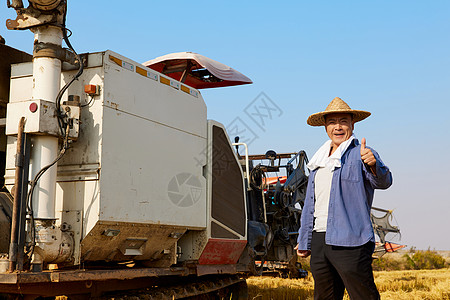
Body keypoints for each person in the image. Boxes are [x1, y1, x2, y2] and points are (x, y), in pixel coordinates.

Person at [295, 97, 392, 300]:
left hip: (351, 240)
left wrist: (374, 165)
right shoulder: (319, 160)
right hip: (320, 240)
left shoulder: (362, 154)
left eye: (343, 121)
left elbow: (384, 182)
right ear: (325, 126)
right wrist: (304, 239)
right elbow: (310, 205)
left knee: (363, 295)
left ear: (352, 124)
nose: (337, 127)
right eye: (332, 122)